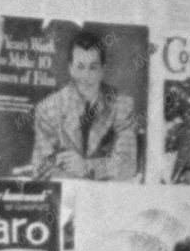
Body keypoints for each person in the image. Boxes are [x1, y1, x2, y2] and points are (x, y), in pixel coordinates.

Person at [27, 29, 138, 182]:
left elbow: (128, 164)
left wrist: (86, 166)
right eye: (80, 67)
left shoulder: (122, 105)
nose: (86, 77)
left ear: (102, 70)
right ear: (70, 68)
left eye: (93, 67)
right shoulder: (48, 109)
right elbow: (40, 170)